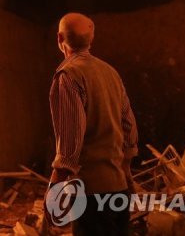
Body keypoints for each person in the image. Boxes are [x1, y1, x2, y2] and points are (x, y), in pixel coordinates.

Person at [47, 12, 138, 236]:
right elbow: (129, 128)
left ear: (60, 39)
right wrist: (126, 175)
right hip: (120, 190)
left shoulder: (68, 75)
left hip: (91, 195)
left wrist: (54, 189)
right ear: (91, 39)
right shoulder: (111, 73)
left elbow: (70, 142)